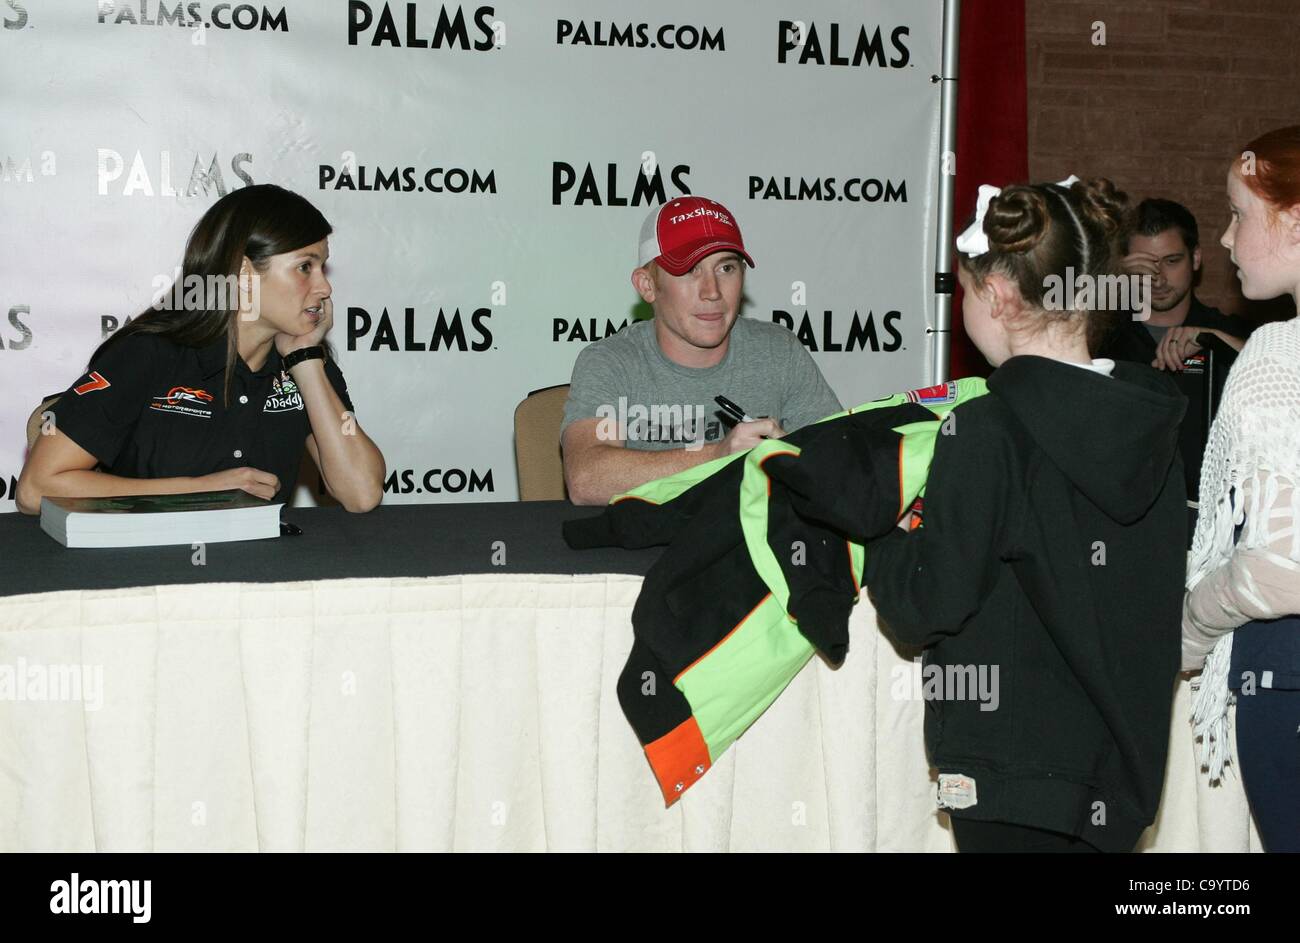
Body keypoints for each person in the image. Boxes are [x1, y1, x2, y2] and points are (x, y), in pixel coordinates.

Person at [864, 176, 1188, 852]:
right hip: (1113, 778)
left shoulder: (987, 429)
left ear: (999, 295)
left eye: (962, 290)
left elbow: (928, 604)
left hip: (1009, 776)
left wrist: (889, 541)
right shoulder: (1150, 420)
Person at [16, 184, 385, 515]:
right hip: (144, 571)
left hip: (262, 573)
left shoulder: (303, 359)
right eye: (305, 266)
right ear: (243, 274)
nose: (324, 288)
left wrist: (306, 362)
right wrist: (198, 491)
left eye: (323, 267)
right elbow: (36, 490)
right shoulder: (147, 354)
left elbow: (361, 493)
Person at [561, 195, 842, 506]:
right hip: (643, 552)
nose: (712, 292)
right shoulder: (612, 361)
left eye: (725, 268)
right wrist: (719, 456)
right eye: (690, 269)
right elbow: (585, 480)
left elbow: (842, 462)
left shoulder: (779, 351)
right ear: (647, 286)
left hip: (752, 548)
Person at [1183, 125, 1300, 853]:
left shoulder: (1277, 352)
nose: (1225, 239)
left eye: (1238, 213)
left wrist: (1190, 625)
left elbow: (1281, 566)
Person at [1100, 198, 1253, 372]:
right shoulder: (1101, 334)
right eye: (1143, 264)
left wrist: (1213, 340)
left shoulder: (1225, 331)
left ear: (1195, 258)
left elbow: (1280, 363)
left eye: (1171, 261)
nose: (1158, 279)